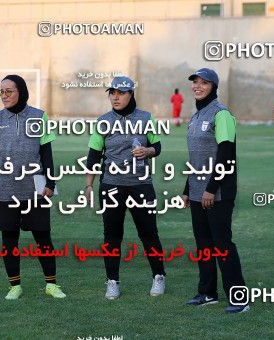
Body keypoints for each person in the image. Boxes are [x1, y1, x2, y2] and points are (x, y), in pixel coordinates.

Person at [0, 75, 66, 300]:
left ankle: (51, 285)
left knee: (43, 238)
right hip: (6, 189)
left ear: (21, 91)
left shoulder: (39, 116)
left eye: (9, 91)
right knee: (9, 240)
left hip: (34, 189)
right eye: (2, 92)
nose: (5, 96)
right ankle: (14, 286)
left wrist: (50, 182)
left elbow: (46, 153)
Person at [85, 76, 166, 300]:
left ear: (131, 94)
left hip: (141, 185)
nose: (115, 97)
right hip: (111, 186)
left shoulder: (146, 118)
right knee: (112, 236)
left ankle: (158, 276)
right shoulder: (103, 121)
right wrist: (89, 185)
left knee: (149, 234)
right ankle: (112, 281)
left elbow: (157, 146)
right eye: (112, 93)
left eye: (120, 93)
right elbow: (94, 155)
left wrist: (147, 152)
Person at [181, 68, 249, 313]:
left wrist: (211, 188)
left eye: (204, 83)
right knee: (204, 245)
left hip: (218, 192)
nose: (197, 86)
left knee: (222, 245)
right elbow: (196, 158)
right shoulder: (195, 116)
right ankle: (207, 293)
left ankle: (239, 299)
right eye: (195, 82)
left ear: (214, 87)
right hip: (199, 192)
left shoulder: (222, 115)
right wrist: (188, 189)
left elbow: (226, 155)